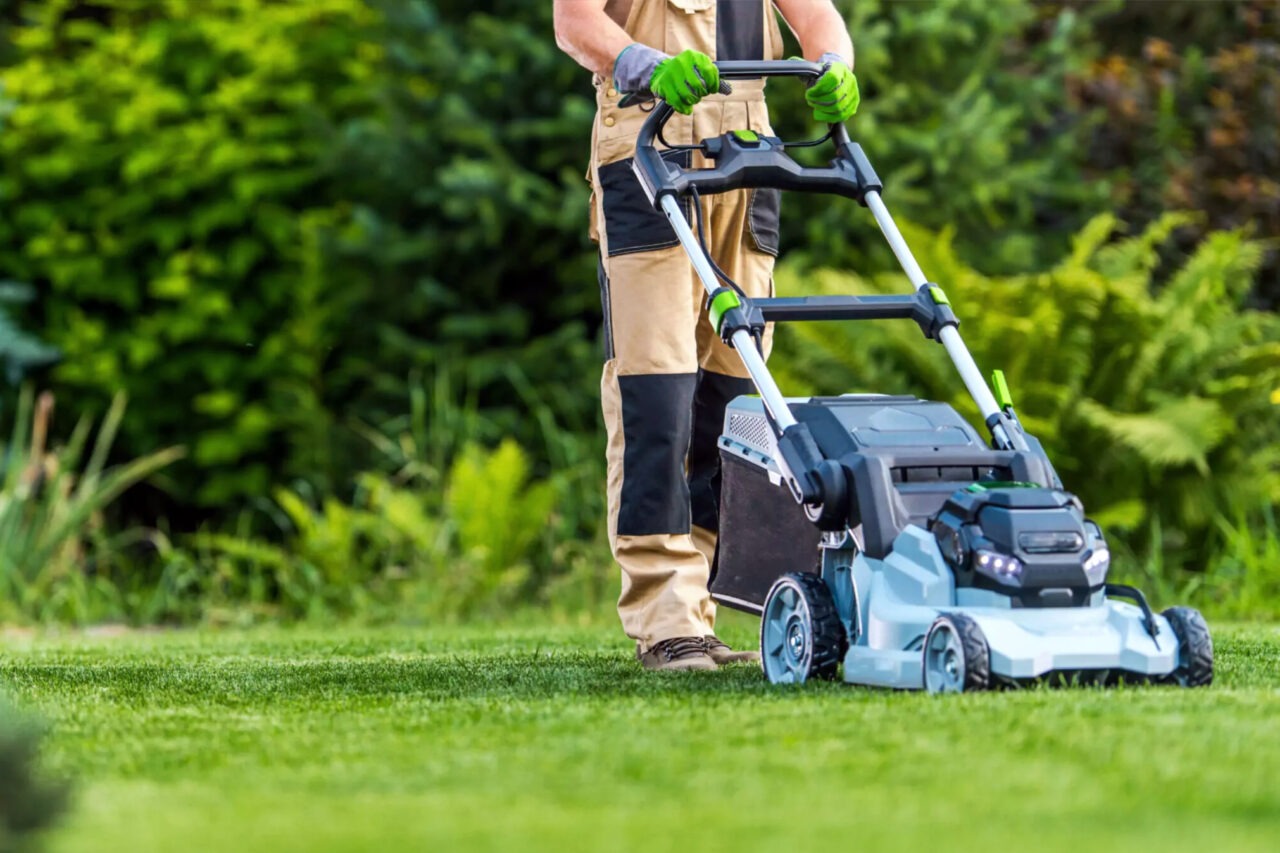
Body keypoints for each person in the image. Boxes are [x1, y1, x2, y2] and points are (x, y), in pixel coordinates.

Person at [554, 0, 859, 671]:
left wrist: (836, 63)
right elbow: (573, 21)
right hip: (646, 142)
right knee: (656, 391)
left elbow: (818, 19)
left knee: (733, 396)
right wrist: (645, 65)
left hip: (746, 157)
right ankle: (665, 615)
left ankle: (704, 609)